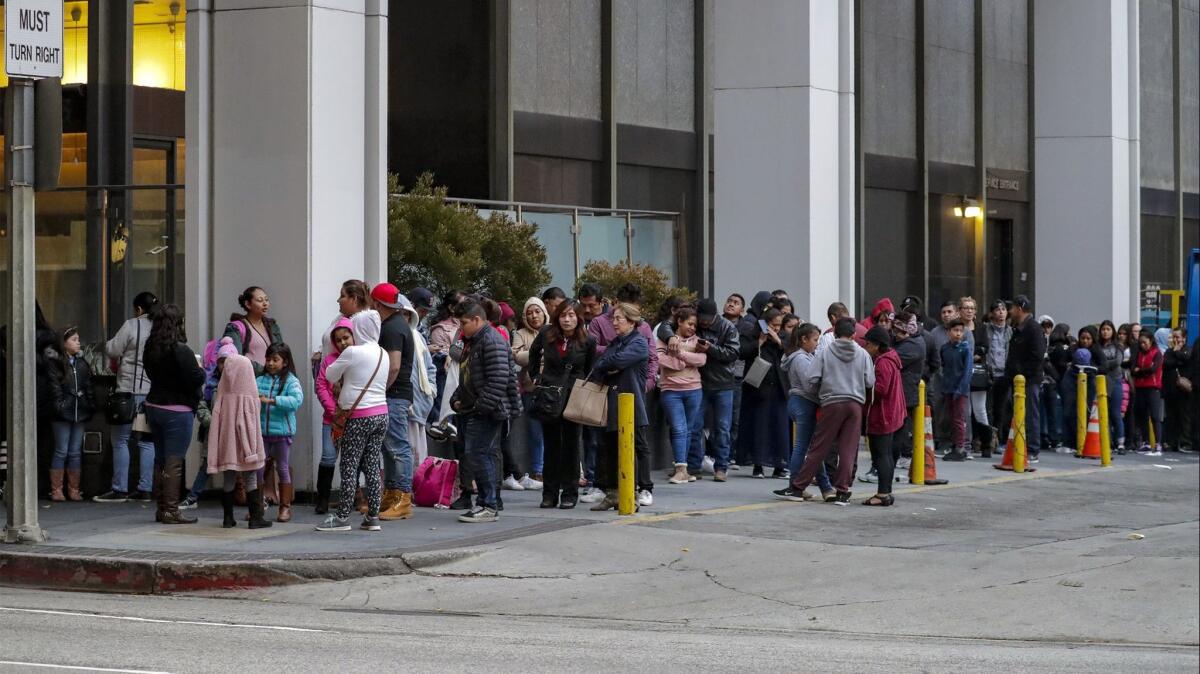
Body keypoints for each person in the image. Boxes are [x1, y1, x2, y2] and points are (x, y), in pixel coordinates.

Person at [317, 310, 389, 532]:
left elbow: (329, 375)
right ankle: (373, 516)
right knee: (371, 466)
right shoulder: (383, 353)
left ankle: (342, 518)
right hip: (381, 414)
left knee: (349, 465)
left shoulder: (353, 352)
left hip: (358, 417)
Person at [451, 299, 522, 523]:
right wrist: (457, 399)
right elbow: (467, 378)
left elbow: (498, 380)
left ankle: (488, 505)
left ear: (477, 320)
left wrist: (479, 407)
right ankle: (486, 503)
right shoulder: (475, 341)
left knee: (479, 454)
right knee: (482, 454)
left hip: (488, 410)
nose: (461, 328)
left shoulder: (490, 341)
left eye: (463, 323)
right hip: (479, 408)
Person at [656, 297, 742, 482]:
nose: (701, 323)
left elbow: (733, 353)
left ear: (715, 316)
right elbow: (665, 327)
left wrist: (710, 349)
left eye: (706, 319)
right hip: (698, 383)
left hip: (722, 383)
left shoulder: (727, 327)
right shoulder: (691, 323)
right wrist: (671, 337)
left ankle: (721, 467)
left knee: (722, 427)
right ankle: (692, 465)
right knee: (694, 427)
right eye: (699, 319)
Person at [791, 318, 875, 505]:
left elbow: (812, 377)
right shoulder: (862, 354)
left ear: (834, 334)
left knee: (819, 447)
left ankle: (798, 487)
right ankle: (842, 492)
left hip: (831, 403)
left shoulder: (825, 351)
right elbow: (870, 381)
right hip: (855, 405)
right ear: (854, 334)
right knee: (848, 449)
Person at [589, 283, 659, 498]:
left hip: (632, 402)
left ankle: (644, 488)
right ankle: (612, 493)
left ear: (631, 322)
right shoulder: (615, 342)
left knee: (638, 445)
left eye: (619, 319)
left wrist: (609, 363)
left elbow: (617, 360)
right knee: (609, 447)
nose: (614, 322)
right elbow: (600, 366)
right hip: (611, 402)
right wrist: (608, 364)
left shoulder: (638, 342)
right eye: (614, 318)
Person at [527, 299, 596, 509]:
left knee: (572, 447)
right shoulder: (547, 334)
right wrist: (536, 378)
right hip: (549, 396)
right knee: (551, 446)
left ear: (578, 318)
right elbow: (533, 355)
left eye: (571, 315)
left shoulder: (588, 341)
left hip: (574, 397)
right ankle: (549, 493)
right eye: (563, 315)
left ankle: (569, 493)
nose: (567, 320)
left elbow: (590, 369)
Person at [142, 304, 206, 525]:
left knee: (160, 459)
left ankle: (161, 508)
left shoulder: (151, 347)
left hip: (154, 406)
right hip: (178, 409)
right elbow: (196, 378)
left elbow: (150, 373)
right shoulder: (181, 350)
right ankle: (171, 509)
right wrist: (201, 368)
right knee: (174, 460)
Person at [96, 292, 158, 503]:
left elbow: (113, 349)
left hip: (127, 393)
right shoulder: (160, 328)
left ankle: (119, 489)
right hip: (149, 394)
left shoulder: (132, 325)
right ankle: (145, 489)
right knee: (146, 442)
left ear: (138, 309)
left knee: (120, 440)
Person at [208, 353, 273, 529]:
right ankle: (255, 518)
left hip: (226, 446)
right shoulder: (249, 397)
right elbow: (249, 424)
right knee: (250, 478)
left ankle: (228, 518)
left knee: (228, 479)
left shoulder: (222, 395)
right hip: (246, 448)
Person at [371, 283, 417, 521]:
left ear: (378, 304)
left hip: (394, 395)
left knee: (397, 448)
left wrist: (379, 391)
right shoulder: (398, 324)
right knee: (389, 448)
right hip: (396, 395)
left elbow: (394, 365)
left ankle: (402, 498)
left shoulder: (391, 328)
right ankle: (391, 495)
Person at [773, 323, 834, 502]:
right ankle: (796, 486)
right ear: (803, 339)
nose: (817, 344)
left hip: (802, 403)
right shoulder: (800, 358)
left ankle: (821, 487)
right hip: (803, 402)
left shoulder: (804, 356)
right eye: (815, 340)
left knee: (811, 448)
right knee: (803, 447)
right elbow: (809, 384)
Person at [656, 307, 708, 484]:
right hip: (671, 390)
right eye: (689, 323)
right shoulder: (666, 338)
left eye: (695, 325)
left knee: (688, 430)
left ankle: (682, 469)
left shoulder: (697, 341)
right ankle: (680, 469)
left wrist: (680, 353)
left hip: (694, 390)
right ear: (679, 321)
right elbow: (659, 359)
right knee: (678, 428)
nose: (693, 328)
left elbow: (701, 360)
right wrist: (682, 363)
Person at [738, 307, 789, 478]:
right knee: (758, 427)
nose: (776, 328)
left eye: (778, 325)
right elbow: (741, 352)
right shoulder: (752, 334)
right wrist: (758, 343)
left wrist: (778, 341)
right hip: (758, 388)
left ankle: (779, 465)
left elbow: (792, 352)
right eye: (773, 325)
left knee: (779, 428)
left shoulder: (783, 337)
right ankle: (757, 464)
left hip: (779, 389)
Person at [47, 327, 95, 501]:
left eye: (78, 339)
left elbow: (88, 386)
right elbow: (54, 388)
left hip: (80, 411)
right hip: (63, 412)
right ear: (64, 342)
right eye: (74, 339)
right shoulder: (55, 363)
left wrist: (89, 404)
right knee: (61, 450)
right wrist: (61, 405)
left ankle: (74, 489)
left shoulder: (82, 363)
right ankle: (56, 490)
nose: (78, 342)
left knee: (75, 451)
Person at [256, 343, 303, 522]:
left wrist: (273, 400)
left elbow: (296, 401)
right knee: (258, 469)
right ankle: (258, 505)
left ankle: (285, 508)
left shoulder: (291, 381)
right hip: (262, 432)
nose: (270, 363)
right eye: (268, 359)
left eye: (275, 360)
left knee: (282, 468)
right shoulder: (260, 380)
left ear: (285, 362)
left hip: (282, 433)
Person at [997, 295, 1046, 462]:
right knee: (1017, 413)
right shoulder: (1019, 328)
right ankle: (1020, 444)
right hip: (1016, 379)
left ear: (1019, 308)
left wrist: (1023, 374)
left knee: (1031, 413)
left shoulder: (1033, 329)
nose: (1009, 312)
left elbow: (1037, 356)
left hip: (1029, 380)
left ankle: (1032, 449)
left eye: (1011, 308)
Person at [313, 318, 354, 514]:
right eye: (338, 340)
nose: (342, 343)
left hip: (354, 418)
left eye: (346, 338)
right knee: (328, 457)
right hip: (331, 419)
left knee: (352, 458)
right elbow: (321, 385)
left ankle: (352, 497)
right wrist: (333, 411)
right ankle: (322, 499)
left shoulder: (359, 358)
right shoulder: (329, 360)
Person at [862, 325, 905, 505]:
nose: (866, 348)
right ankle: (885, 492)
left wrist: (863, 387)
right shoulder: (891, 358)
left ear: (878, 345)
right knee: (885, 454)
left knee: (881, 455)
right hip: (893, 413)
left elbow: (881, 389)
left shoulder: (883, 362)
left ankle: (883, 494)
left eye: (869, 344)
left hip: (883, 415)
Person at [512, 296, 550, 488]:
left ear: (544, 312)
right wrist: (542, 352)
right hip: (531, 389)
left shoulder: (554, 330)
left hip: (553, 390)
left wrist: (534, 354)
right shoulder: (519, 334)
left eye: (537, 311)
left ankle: (554, 470)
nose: (534, 316)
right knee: (536, 433)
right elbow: (518, 357)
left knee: (555, 432)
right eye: (529, 313)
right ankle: (538, 471)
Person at [891, 311, 927, 466]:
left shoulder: (913, 345)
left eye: (899, 332)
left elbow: (892, 361)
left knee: (902, 428)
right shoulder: (909, 342)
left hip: (906, 392)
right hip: (904, 391)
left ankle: (905, 455)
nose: (895, 334)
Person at [223, 286, 284, 375]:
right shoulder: (235, 328)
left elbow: (283, 354)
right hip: (249, 380)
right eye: (260, 300)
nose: (265, 303)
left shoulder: (272, 326)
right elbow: (235, 359)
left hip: (272, 380)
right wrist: (264, 370)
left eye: (266, 300)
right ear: (248, 304)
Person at [1062, 326, 1103, 445]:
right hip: (1071, 382)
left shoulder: (1096, 350)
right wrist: (1070, 365)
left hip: (1090, 383)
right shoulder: (1073, 349)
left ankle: (1086, 440)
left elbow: (1104, 366)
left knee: (1087, 411)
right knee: (1069, 412)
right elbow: (1062, 362)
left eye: (1088, 338)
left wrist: (1091, 368)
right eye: (1083, 338)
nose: (1085, 341)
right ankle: (1069, 441)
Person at [939, 319, 973, 462]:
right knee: (952, 418)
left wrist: (961, 389)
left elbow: (967, 372)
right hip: (948, 388)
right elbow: (943, 367)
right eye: (955, 330)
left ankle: (960, 447)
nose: (958, 333)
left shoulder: (965, 349)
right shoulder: (945, 348)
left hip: (960, 390)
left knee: (959, 419)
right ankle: (955, 444)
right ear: (949, 332)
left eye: (960, 331)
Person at [1132, 330, 1164, 456]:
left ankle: (1158, 444)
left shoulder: (1157, 353)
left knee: (1155, 416)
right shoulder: (1138, 353)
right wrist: (1142, 371)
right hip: (1140, 388)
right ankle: (1146, 443)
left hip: (1152, 388)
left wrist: (1141, 370)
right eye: (1140, 343)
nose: (1142, 345)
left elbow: (1153, 369)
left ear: (1151, 341)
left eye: (1145, 342)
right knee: (1142, 416)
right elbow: (1133, 369)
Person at [723, 293, 747, 461]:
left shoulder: (745, 327)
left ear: (742, 310)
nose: (731, 304)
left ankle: (730, 454)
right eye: (729, 301)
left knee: (734, 417)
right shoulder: (716, 323)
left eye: (736, 303)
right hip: (716, 375)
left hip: (736, 376)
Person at [1097, 320, 1127, 454]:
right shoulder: (1097, 346)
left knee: (1116, 413)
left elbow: (1118, 362)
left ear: (1112, 331)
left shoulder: (1118, 346)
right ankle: (1106, 442)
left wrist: (1102, 365)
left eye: (1108, 329)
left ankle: (1120, 443)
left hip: (1115, 380)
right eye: (1103, 329)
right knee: (1104, 414)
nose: (1105, 331)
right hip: (1101, 380)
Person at [1043, 323, 1073, 450]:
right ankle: (1058, 437)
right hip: (1060, 381)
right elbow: (1062, 365)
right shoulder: (1063, 348)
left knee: (1050, 411)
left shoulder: (1050, 347)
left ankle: (1051, 437)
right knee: (1061, 411)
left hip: (1049, 382)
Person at [1162, 328, 1191, 452]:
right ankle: (1171, 442)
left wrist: (1177, 353)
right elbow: (1167, 364)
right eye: (1173, 337)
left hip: (1183, 390)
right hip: (1170, 389)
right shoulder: (1168, 351)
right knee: (1171, 417)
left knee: (1184, 416)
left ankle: (1185, 442)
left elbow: (1187, 361)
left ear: (1184, 338)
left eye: (1178, 337)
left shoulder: (1188, 350)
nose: (1175, 340)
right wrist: (1177, 357)